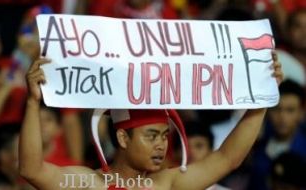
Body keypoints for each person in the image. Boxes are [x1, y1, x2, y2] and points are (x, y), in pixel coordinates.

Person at [19, 52, 283, 189]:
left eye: (165, 136)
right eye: (152, 136)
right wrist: (32, 102)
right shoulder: (87, 184)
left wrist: (262, 98)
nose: (162, 145)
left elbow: (228, 158)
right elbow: (31, 170)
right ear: (123, 137)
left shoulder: (167, 184)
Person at [248, 79, 306, 190]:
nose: (282, 117)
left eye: (290, 110)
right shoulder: (256, 147)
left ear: (301, 113)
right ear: (268, 111)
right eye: (276, 109)